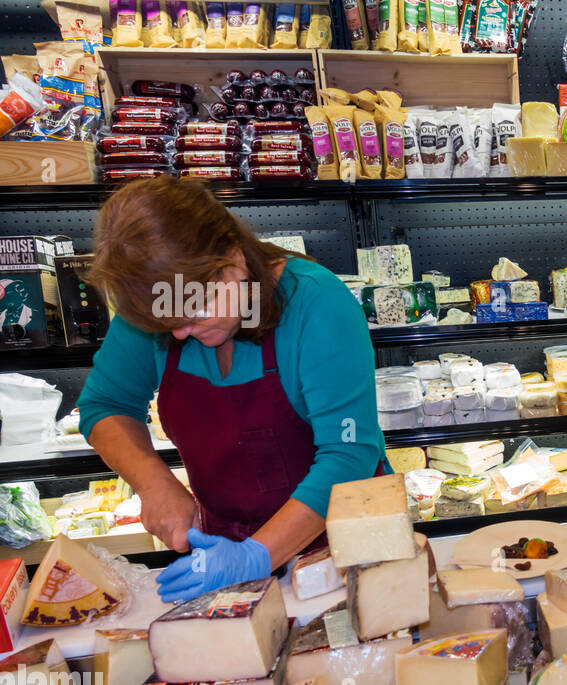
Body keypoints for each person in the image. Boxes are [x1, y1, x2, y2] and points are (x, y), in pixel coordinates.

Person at [79, 177, 387, 601]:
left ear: (235, 260)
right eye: (166, 322)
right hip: (226, 555)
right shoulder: (162, 299)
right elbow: (105, 404)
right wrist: (153, 482)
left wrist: (255, 558)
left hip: (344, 554)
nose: (182, 331)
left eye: (196, 309)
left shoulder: (316, 303)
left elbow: (349, 451)